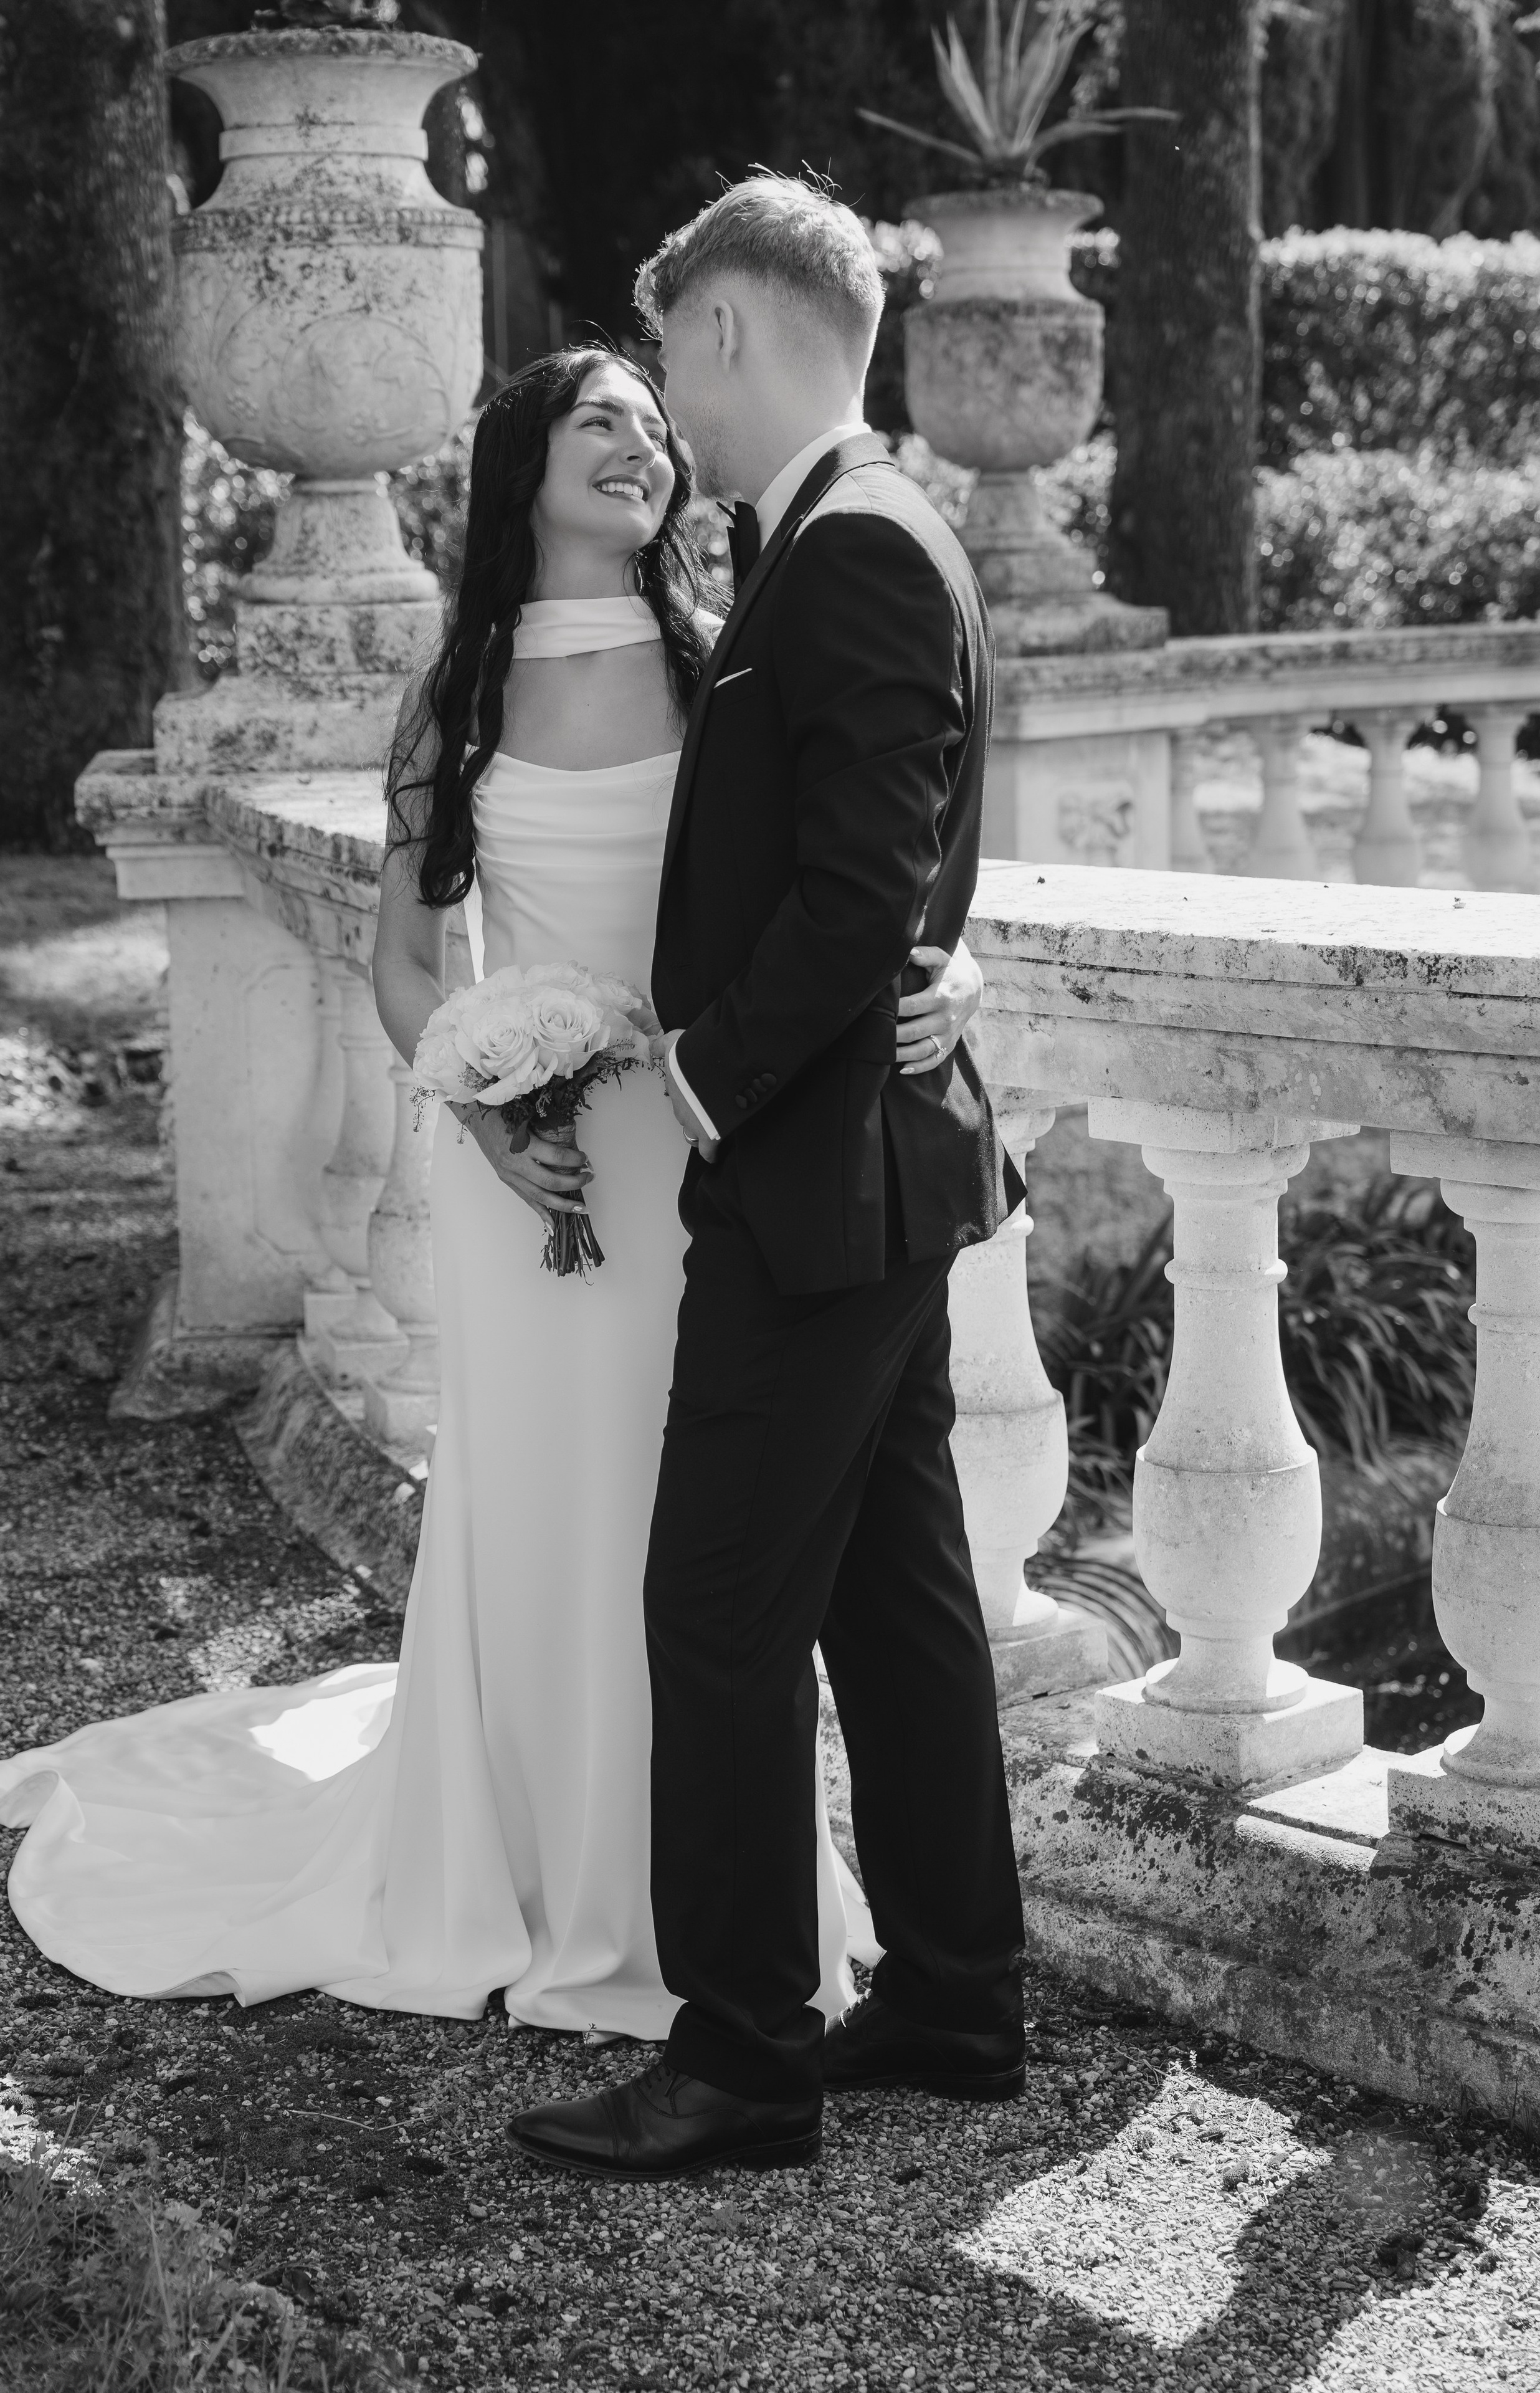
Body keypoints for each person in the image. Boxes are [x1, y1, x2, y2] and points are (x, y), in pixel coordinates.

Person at [0, 340, 983, 2034]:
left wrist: (951, 974)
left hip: (711, 1158)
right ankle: (521, 1864)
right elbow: (401, 965)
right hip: (531, 1174)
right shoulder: (454, 695)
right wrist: (481, 1099)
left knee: (698, 1545)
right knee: (551, 1515)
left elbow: (857, 866)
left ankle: (688, 1899)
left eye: (660, 427)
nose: (644, 446)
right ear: (524, 463)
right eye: (603, 419)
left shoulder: (713, 663)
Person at [508, 175, 1029, 2181]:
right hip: (869, 1186)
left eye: (675, 363)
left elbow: (860, 886)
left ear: (729, 332)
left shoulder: (859, 548)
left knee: (714, 1604)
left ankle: (737, 2052)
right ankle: (962, 1996)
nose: (670, 411)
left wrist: (701, 1082)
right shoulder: (832, 538)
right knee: (896, 1606)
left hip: (819, 1192)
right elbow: (885, 868)